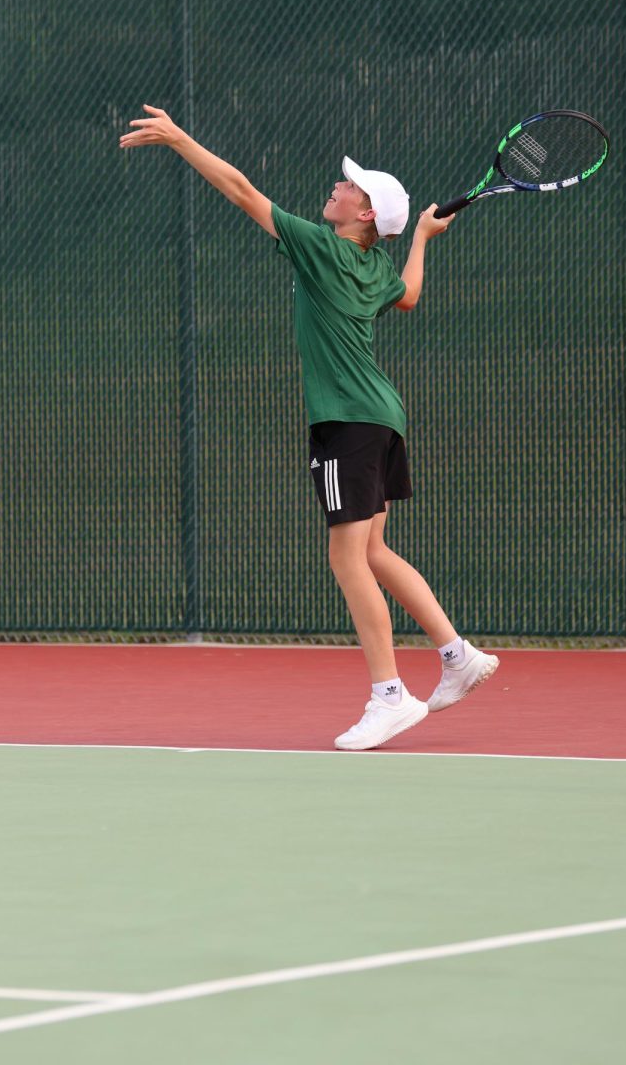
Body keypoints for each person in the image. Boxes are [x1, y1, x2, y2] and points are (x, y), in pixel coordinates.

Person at [119, 106, 499, 751]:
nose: (337, 186)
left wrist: (181, 136)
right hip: (381, 418)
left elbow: (241, 190)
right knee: (374, 552)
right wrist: (423, 241)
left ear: (366, 214)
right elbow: (407, 295)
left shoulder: (323, 248)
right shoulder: (374, 266)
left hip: (348, 420)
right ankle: (458, 655)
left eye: (349, 187)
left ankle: (390, 695)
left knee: (346, 558)